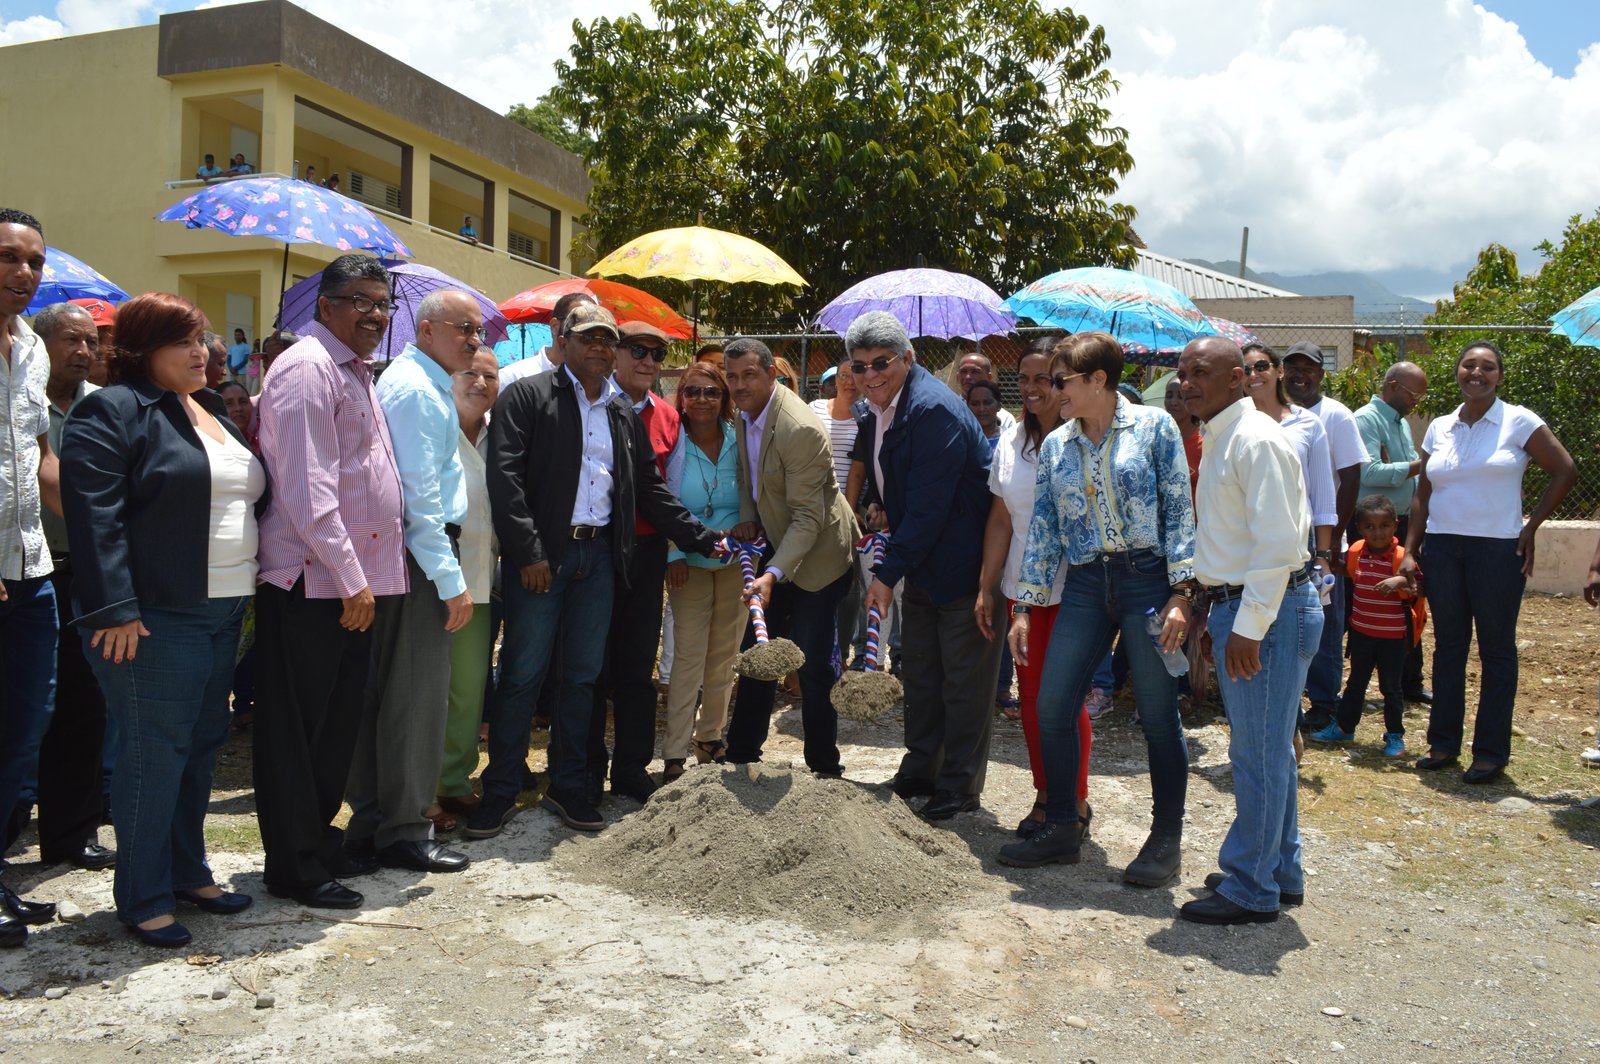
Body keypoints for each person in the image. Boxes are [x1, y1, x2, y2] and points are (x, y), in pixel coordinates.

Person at [61, 292, 264, 947]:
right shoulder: (112, 410)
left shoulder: (207, 408)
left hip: (225, 609)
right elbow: (96, 516)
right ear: (143, 348)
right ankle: (143, 894)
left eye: (204, 337)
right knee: (154, 752)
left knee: (201, 744)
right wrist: (114, 607)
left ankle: (186, 871)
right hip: (153, 619)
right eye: (185, 340)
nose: (203, 352)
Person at [470, 303, 715, 838]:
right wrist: (530, 552)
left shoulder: (621, 412)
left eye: (609, 339)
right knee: (521, 677)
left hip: (600, 558)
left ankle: (569, 785)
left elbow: (649, 489)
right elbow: (505, 479)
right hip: (542, 560)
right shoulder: (528, 397)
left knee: (582, 679)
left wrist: (699, 536)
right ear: (564, 339)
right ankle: (502, 788)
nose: (600, 348)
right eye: (589, 338)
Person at [996, 332, 1197, 884]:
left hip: (1148, 581)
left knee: (1159, 715)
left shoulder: (1155, 429)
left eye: (1061, 381)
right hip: (1084, 582)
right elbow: (1044, 529)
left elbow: (1179, 507)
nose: (1050, 390)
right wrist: (1024, 607)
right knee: (1051, 705)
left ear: (1098, 381)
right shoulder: (1059, 445)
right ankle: (1063, 826)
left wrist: (1182, 591)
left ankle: (1164, 840)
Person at [253, 254, 408, 911]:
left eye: (383, 302)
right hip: (312, 582)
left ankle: (316, 841)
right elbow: (308, 489)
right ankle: (292, 864)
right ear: (326, 307)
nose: (374, 314)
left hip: (349, 583)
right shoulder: (307, 370)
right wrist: (351, 578)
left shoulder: (356, 371)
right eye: (360, 301)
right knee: (298, 729)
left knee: (337, 725)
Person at [1176, 336, 1320, 926]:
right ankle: (1277, 869)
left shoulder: (1257, 439)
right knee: (1270, 752)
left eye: (1202, 372)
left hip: (1270, 609)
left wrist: (1250, 625)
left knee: (1257, 753)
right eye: (1182, 373)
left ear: (1238, 378)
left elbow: (1278, 545)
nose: (1187, 382)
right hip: (1253, 607)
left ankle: (1251, 885)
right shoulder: (1223, 434)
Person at [342, 291, 480, 874]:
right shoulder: (418, 391)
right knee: (417, 697)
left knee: (393, 694)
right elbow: (419, 499)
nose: (474, 339)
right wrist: (451, 580)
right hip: (420, 556)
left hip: (405, 554)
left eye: (477, 330)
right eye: (463, 328)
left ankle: (379, 820)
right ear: (425, 329)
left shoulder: (415, 381)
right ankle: (401, 828)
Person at [1402, 340, 1576, 785]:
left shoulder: (1518, 420)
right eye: (1468, 365)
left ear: (1499, 376)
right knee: (1450, 647)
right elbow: (1423, 494)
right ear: (1457, 372)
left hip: (1497, 551)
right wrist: (1410, 550)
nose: (1476, 373)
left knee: (1496, 650)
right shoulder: (1440, 426)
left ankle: (1491, 752)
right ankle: (1443, 744)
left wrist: (1530, 527)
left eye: (1488, 367)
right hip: (1443, 549)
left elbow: (1565, 469)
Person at [851, 312, 999, 820]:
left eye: (881, 363)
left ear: (908, 359)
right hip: (922, 562)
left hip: (963, 567)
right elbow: (901, 490)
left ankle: (958, 787)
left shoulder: (933, 408)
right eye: (860, 365)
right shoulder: (877, 410)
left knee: (962, 685)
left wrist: (886, 574)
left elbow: (933, 508)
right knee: (922, 675)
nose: (870, 374)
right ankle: (921, 769)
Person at [723, 338, 857, 777]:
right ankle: (742, 754)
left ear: (771, 375)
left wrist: (773, 574)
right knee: (757, 651)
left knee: (814, 665)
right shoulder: (745, 414)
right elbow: (748, 477)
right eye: (733, 376)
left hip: (819, 556)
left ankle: (824, 768)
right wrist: (747, 521)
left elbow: (808, 518)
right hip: (780, 547)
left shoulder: (799, 427)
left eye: (749, 375)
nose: (739, 385)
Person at [973, 339, 1090, 840]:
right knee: (1030, 698)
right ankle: (1045, 794)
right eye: (1023, 378)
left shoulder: (1084, 440)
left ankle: (1073, 803)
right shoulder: (1010, 440)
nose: (1032, 388)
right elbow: (1001, 518)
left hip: (1076, 590)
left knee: (1060, 700)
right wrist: (987, 587)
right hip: (1022, 590)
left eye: (1044, 378)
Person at [32, 304, 115, 875]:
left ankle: (71, 832)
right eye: (71, 340)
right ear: (42, 343)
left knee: (85, 705)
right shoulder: (21, 399)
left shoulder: (101, 407)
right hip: (29, 573)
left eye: (91, 341)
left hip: (87, 573)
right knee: (30, 705)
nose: (83, 351)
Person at [0, 209, 62, 949]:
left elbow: (43, 457)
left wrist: (105, 524)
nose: (23, 273)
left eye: (34, 262)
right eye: (9, 259)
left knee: (21, 732)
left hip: (31, 569)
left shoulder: (36, 350)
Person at [589, 319, 681, 802]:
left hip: (647, 554)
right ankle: (586, 768)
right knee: (590, 665)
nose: (648, 362)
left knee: (637, 666)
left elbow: (669, 491)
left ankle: (630, 768)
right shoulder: (597, 405)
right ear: (616, 355)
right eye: (638, 351)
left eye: (656, 354)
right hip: (599, 548)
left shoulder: (668, 416)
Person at [662, 362, 743, 780]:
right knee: (688, 658)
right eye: (692, 391)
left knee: (724, 655)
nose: (702, 400)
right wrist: (673, 554)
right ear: (682, 397)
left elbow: (754, 492)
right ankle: (675, 751)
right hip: (687, 564)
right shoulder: (673, 439)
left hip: (735, 563)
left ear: (724, 397)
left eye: (711, 392)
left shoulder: (740, 439)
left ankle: (710, 736)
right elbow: (665, 501)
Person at [1282, 341, 1369, 732]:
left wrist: (1333, 539)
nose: (1300, 375)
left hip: (1322, 542)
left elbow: (1351, 477)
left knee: (1323, 623)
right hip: (1282, 540)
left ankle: (1323, 702)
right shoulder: (1275, 414)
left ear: (1321, 373)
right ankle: (1290, 699)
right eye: (1293, 367)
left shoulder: (1336, 415)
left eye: (1309, 368)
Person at [1311, 495, 1426, 757]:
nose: (1377, 533)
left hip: (1393, 638)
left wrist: (1398, 582)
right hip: (1362, 633)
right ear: (1359, 528)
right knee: (1355, 684)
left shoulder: (1401, 558)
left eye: (1384, 526)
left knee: (1391, 688)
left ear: (1395, 525)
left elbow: (1419, 586)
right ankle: (1343, 727)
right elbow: (1347, 572)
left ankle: (1395, 736)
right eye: (1370, 527)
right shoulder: (1356, 552)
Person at [436, 348, 498, 817]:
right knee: (424, 687)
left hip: (482, 582)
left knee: (469, 687)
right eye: (469, 373)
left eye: (489, 376)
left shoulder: (502, 437)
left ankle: (453, 778)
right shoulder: (432, 430)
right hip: (430, 578)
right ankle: (415, 781)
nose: (479, 382)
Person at [1353, 362, 1431, 703]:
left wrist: (1400, 469)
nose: (1417, 401)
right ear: (1394, 386)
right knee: (1380, 604)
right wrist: (1418, 465)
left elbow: (1396, 472)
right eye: (1414, 393)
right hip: (1377, 531)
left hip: (1401, 525)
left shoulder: (1397, 422)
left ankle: (1411, 682)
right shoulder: (1367, 419)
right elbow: (1370, 472)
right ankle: (1374, 685)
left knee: (1411, 601)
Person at [809, 361, 867, 667]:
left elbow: (860, 467)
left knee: (847, 587)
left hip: (848, 513)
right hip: (812, 510)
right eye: (843, 376)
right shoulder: (814, 409)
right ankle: (810, 655)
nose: (849, 382)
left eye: (855, 376)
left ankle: (840, 655)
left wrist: (849, 507)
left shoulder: (869, 416)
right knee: (812, 585)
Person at [498, 290, 600, 389]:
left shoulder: (600, 388)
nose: (589, 331)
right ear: (555, 326)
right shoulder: (512, 378)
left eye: (596, 326)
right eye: (579, 321)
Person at [953, 350, 1016, 431]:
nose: (968, 377)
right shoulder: (949, 411)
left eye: (975, 371)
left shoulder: (1005, 419)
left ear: (989, 377)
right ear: (957, 377)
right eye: (963, 371)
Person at [966, 379, 1004, 450]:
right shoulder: (961, 441)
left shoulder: (1010, 439)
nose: (981, 409)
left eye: (987, 403)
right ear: (967, 407)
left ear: (999, 406)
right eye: (975, 404)